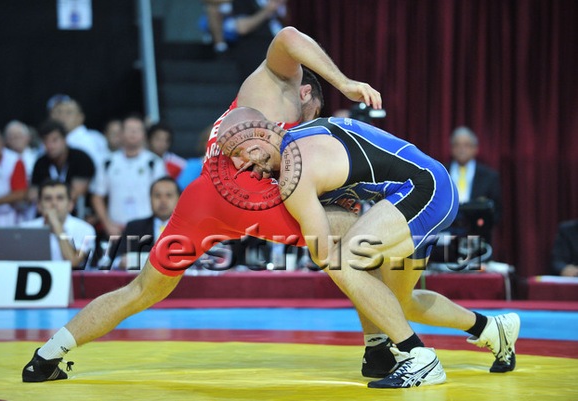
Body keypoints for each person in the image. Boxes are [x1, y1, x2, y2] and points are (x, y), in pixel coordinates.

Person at [21, 25, 381, 384]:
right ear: (305, 91)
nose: (306, 124)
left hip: (203, 198)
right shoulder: (281, 80)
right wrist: (345, 83)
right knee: (360, 233)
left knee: (143, 289)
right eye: (312, 113)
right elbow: (288, 35)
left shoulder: (261, 107)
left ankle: (46, 356)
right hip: (244, 196)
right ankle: (379, 348)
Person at [217, 109, 521, 388]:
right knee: (397, 303)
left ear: (262, 133)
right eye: (233, 159)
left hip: (423, 192)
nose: (240, 166)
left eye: (240, 152)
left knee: (339, 261)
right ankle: (492, 328)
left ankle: (418, 356)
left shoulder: (294, 171)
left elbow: (322, 251)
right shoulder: (303, 134)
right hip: (426, 188)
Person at [90, 114, 167, 236]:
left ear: (144, 135)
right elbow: (97, 196)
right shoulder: (108, 163)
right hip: (116, 229)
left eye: (137, 130)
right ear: (120, 134)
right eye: (129, 129)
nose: (133, 133)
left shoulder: (154, 163)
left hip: (146, 229)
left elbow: (163, 194)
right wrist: (107, 224)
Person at [21, 179, 96, 268]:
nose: (54, 203)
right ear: (39, 205)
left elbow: (73, 262)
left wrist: (56, 224)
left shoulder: (85, 229)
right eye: (48, 198)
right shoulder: (25, 229)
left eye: (60, 198)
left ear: (70, 204)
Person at [447, 126, 501, 243]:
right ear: (451, 148)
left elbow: (497, 211)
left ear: (475, 149)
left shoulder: (489, 176)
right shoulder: (441, 173)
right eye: (457, 145)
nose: (461, 149)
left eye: (466, 145)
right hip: (446, 236)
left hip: (478, 238)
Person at [113, 177, 180, 270]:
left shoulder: (190, 229)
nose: (163, 201)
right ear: (150, 199)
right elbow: (116, 258)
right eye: (157, 196)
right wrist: (121, 262)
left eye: (169, 195)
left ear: (179, 199)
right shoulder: (134, 227)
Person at [30, 120, 96, 208]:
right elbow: (33, 194)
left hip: (74, 211)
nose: (50, 146)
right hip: (46, 211)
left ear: (65, 139)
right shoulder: (40, 163)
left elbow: (76, 194)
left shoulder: (81, 159)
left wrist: (48, 200)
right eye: (46, 141)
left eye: (54, 140)